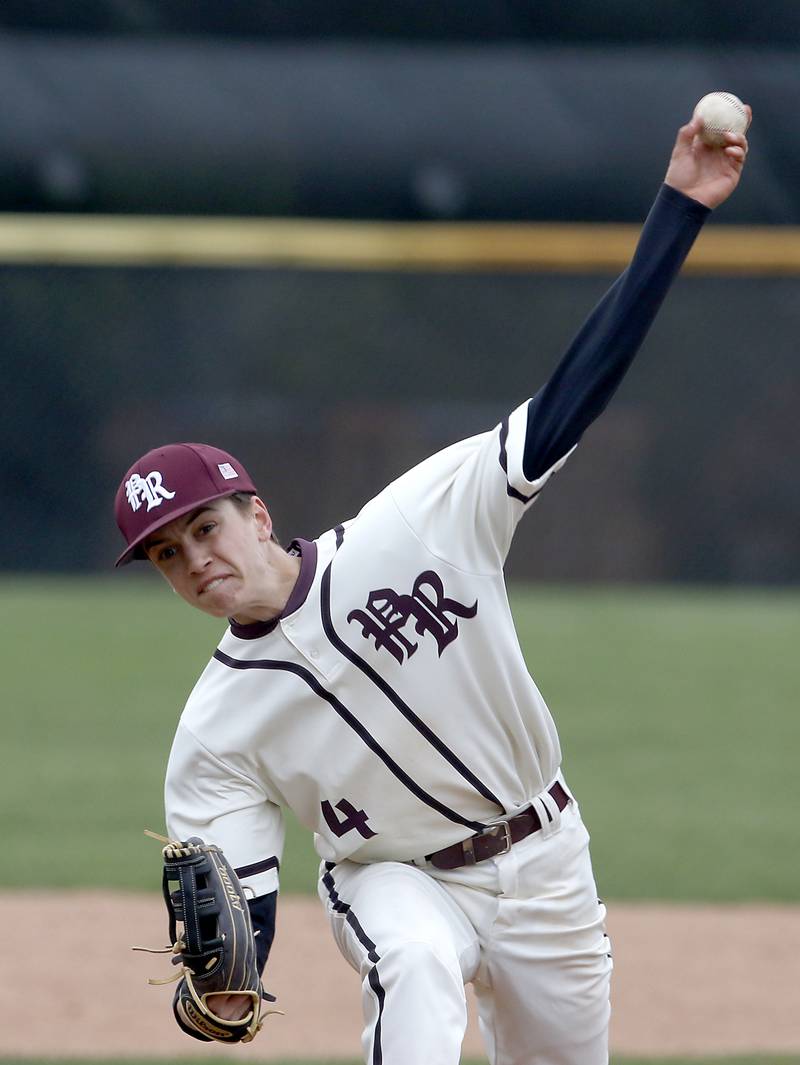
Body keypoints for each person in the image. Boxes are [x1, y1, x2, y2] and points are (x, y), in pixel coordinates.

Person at [114, 112, 749, 1065]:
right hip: (393, 879)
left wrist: (680, 210)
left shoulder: (418, 523)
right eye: (166, 554)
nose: (195, 559)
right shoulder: (216, 731)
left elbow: (574, 394)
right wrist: (226, 980)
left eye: (202, 527)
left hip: (544, 859)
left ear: (254, 511)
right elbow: (238, 916)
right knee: (412, 962)